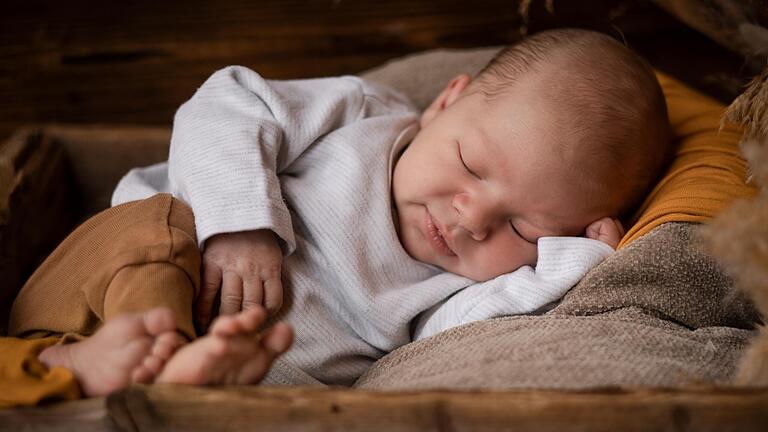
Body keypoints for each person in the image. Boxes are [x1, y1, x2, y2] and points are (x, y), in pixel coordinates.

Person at [6, 28, 671, 398]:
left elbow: (488, 320)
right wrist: (239, 226)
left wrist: (579, 260)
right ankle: (127, 356)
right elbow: (224, 107)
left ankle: (164, 380)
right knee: (163, 234)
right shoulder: (361, 116)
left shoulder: (457, 290)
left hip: (244, 382)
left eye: (524, 227)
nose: (472, 218)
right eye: (470, 164)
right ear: (446, 101)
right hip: (114, 282)